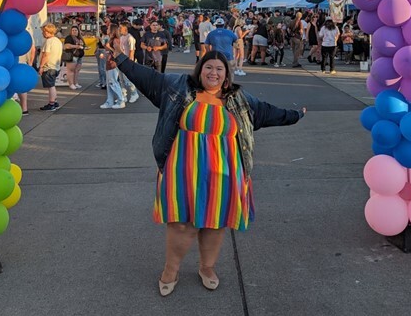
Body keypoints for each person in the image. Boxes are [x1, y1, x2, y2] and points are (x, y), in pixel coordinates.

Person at [108, 45, 307, 295]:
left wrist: (295, 115)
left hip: (224, 172)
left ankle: (207, 267)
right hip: (182, 169)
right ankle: (171, 269)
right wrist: (123, 59)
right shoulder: (177, 87)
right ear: (200, 70)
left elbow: (268, 113)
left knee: (215, 222)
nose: (213, 72)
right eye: (208, 67)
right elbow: (147, 77)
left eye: (219, 69)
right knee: (182, 224)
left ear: (227, 74)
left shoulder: (240, 100)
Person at [38, 23, 62, 111]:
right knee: (52, 85)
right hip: (55, 66)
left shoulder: (48, 41)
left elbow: (46, 55)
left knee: (50, 86)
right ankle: (54, 101)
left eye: (43, 32)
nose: (42, 33)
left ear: (47, 32)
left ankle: (51, 103)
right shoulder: (57, 41)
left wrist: (41, 66)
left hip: (48, 67)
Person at [101, 25, 126, 109]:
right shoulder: (112, 39)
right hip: (110, 62)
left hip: (113, 63)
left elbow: (119, 51)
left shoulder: (115, 40)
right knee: (110, 83)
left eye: (108, 28)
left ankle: (120, 100)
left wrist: (110, 49)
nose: (107, 29)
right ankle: (109, 101)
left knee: (113, 82)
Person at [119, 22, 139, 103]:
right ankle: (124, 95)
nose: (119, 29)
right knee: (121, 80)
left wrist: (130, 61)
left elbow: (132, 50)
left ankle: (134, 93)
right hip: (120, 60)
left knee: (127, 80)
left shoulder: (130, 38)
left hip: (127, 60)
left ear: (125, 28)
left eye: (121, 27)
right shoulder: (121, 37)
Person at [62, 25, 85, 90]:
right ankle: (71, 84)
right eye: (73, 30)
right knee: (71, 70)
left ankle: (76, 83)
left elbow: (83, 45)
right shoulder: (69, 38)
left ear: (78, 31)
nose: (74, 31)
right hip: (72, 55)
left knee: (77, 70)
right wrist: (76, 46)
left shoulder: (80, 38)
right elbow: (66, 46)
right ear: (71, 31)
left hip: (79, 56)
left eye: (76, 30)